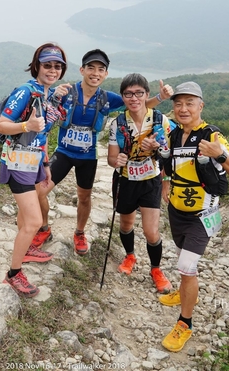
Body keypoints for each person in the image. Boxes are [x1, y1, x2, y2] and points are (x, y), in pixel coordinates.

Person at [34, 49, 174, 256]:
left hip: (88, 157)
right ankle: (44, 228)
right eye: (91, 68)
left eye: (101, 69)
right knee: (39, 191)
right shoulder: (66, 92)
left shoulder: (107, 99)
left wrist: (160, 97)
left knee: (84, 197)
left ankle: (79, 232)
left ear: (106, 74)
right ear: (82, 70)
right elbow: (42, 109)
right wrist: (53, 97)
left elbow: (137, 104)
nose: (95, 73)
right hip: (63, 152)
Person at [159, 81, 229, 352]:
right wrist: (165, 184)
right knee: (182, 260)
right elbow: (169, 165)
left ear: (201, 106)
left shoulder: (212, 136)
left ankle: (185, 323)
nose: (183, 109)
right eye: (178, 104)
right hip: (176, 211)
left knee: (187, 267)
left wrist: (220, 155)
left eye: (189, 103)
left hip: (201, 214)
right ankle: (186, 292)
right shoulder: (175, 135)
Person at [0, 43, 68, 298]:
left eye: (57, 66)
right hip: (17, 162)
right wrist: (26, 125)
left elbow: (42, 134)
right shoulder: (25, 91)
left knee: (27, 216)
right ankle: (13, 274)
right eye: (47, 65)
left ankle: (25, 249)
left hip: (33, 161)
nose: (52, 70)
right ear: (37, 66)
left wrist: (45, 165)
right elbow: (2, 125)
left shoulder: (45, 95)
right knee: (35, 221)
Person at [106, 73, 173, 293]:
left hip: (150, 180)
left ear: (146, 94)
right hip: (125, 180)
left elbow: (169, 153)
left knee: (151, 232)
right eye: (128, 94)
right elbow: (111, 159)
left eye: (138, 93)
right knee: (126, 224)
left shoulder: (160, 120)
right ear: (123, 97)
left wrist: (157, 148)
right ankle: (130, 256)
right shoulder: (118, 123)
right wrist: (118, 160)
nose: (134, 98)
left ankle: (156, 269)